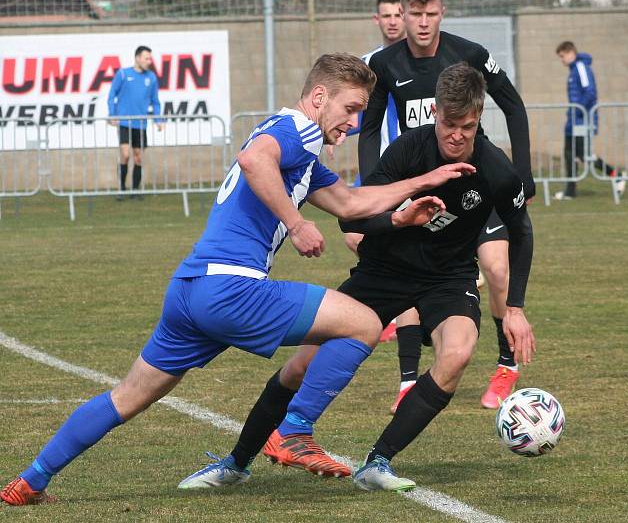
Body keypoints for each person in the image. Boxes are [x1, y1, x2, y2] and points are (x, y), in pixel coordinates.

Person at [0, 53, 474, 506]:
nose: (352, 122)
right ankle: (293, 430)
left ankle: (31, 479)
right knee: (364, 323)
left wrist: (420, 184)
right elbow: (253, 160)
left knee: (127, 396)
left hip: (190, 290)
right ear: (319, 97)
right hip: (231, 288)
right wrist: (295, 221)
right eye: (349, 108)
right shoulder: (295, 130)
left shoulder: (306, 156)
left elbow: (352, 204)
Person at [177, 62, 534, 493]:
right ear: (435, 113)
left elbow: (522, 230)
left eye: (468, 126)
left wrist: (513, 308)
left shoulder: (495, 169)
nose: (457, 135)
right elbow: (355, 222)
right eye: (449, 124)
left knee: (457, 354)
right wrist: (399, 220)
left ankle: (378, 462)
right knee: (300, 366)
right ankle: (238, 461)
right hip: (385, 270)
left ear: (479, 119)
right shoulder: (406, 151)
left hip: (448, 277)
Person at [359, 0, 536, 411]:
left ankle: (505, 365)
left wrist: (525, 173)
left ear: (443, 10)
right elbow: (367, 132)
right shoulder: (384, 65)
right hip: (422, 186)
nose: (422, 22)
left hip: (476, 186)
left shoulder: (470, 54)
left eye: (431, 13)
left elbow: (513, 104)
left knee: (497, 269)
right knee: (409, 270)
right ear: (401, 12)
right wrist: (370, 198)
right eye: (414, 13)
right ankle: (406, 379)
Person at [343, 0, 412, 343]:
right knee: (354, 234)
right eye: (386, 15)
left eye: (398, 14)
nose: (393, 21)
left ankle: (406, 307)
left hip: (410, 167)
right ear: (377, 20)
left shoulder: (416, 59)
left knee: (411, 236)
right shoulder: (367, 63)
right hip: (376, 167)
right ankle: (397, 301)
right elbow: (354, 110)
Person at [554, 41, 626, 200]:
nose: (562, 60)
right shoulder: (573, 70)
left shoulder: (580, 67)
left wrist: (578, 110)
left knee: (583, 154)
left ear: (571, 53)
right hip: (573, 120)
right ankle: (570, 191)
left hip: (582, 120)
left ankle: (616, 174)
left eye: (562, 56)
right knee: (569, 154)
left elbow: (590, 93)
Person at [107, 45, 162, 200]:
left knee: (138, 157)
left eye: (150, 58)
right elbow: (112, 95)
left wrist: (158, 119)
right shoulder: (123, 74)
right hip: (125, 123)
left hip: (141, 124)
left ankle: (135, 190)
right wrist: (113, 114)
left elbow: (155, 101)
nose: (149, 61)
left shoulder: (151, 78)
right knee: (125, 155)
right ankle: (122, 188)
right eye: (146, 58)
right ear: (137, 58)